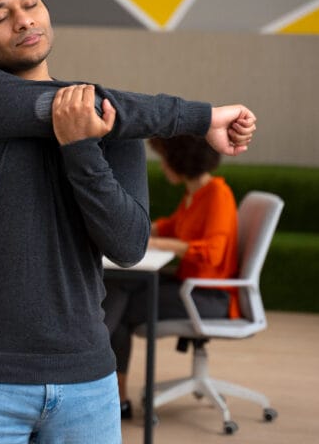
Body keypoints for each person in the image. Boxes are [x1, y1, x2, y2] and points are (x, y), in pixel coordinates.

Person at [0, 0, 256, 443]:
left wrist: (81, 149)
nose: (23, 20)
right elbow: (73, 107)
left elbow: (127, 246)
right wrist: (200, 117)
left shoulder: (115, 128)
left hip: (87, 382)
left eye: (30, 3)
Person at [102, 135, 239, 419]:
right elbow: (169, 227)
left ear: (180, 161)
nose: (163, 166)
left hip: (208, 296)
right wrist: (136, 228)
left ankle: (97, 364)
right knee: (119, 286)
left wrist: (155, 243)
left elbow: (212, 254)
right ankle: (115, 396)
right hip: (189, 285)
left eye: (165, 159)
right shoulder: (195, 195)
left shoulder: (217, 195)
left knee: (119, 302)